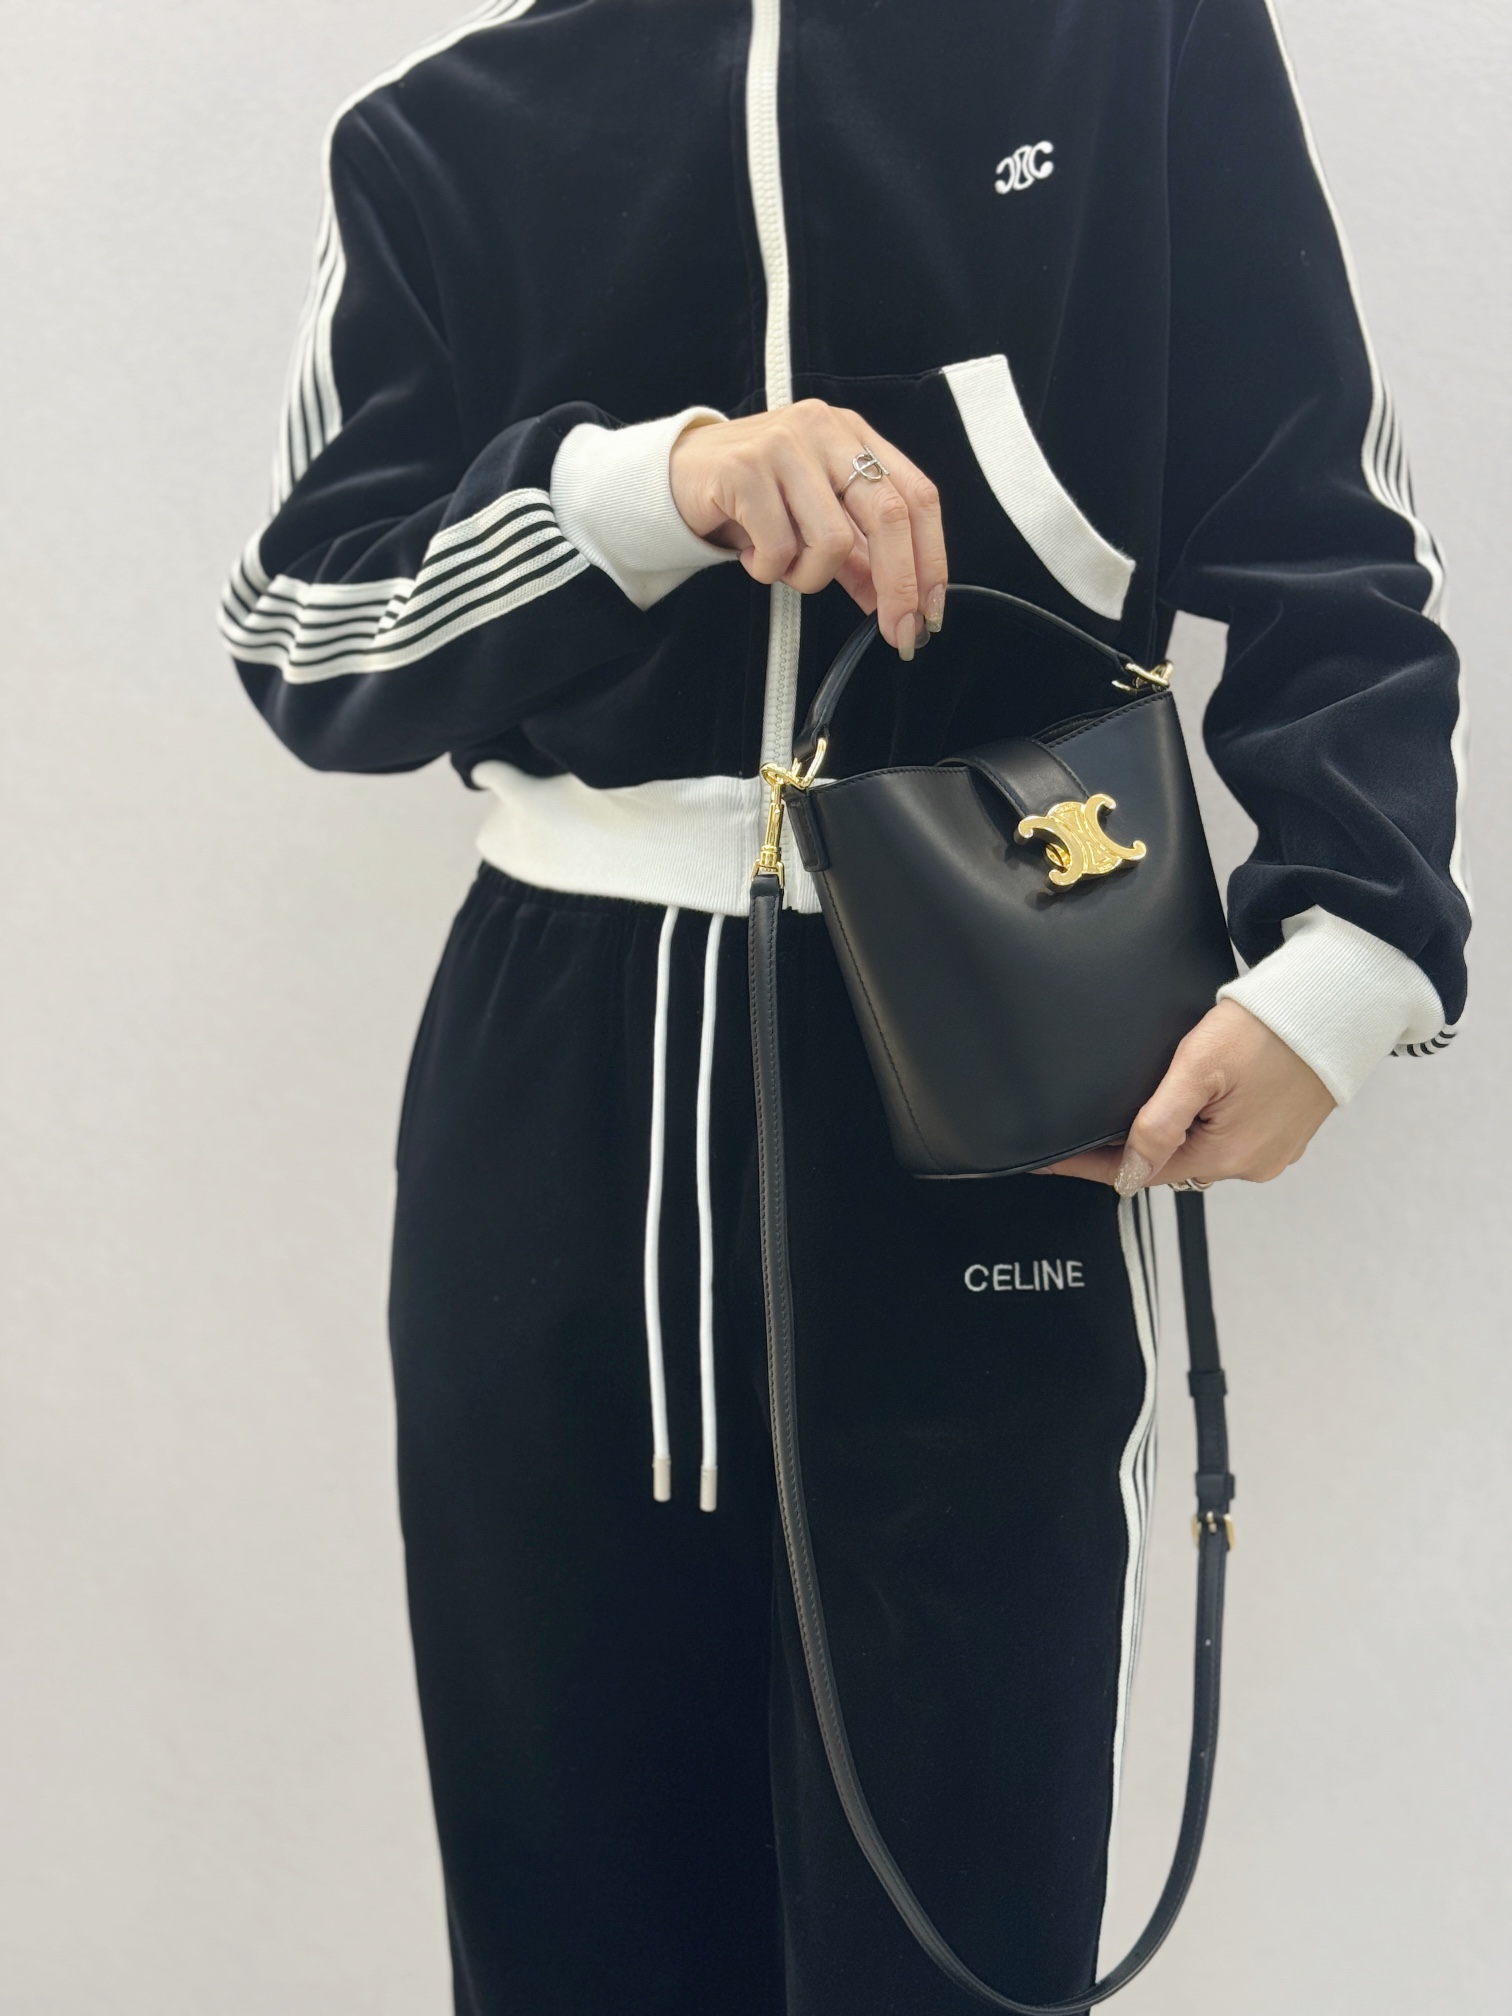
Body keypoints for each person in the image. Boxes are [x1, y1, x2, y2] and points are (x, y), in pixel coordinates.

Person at [220, 2, 1468, 2010]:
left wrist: (1354, 956)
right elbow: (305, 631)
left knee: (962, 1908)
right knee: (568, 1898)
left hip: (1004, 1043)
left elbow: (1330, 524)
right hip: (561, 1083)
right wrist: (650, 488)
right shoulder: (444, 124)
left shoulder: (1133, 40)